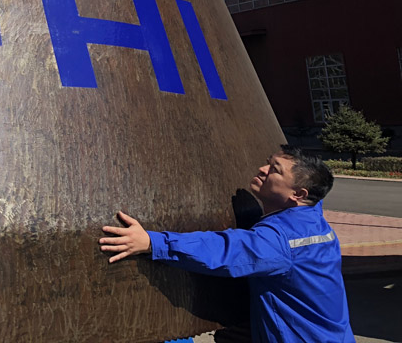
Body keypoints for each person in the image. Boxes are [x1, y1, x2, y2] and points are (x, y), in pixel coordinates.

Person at [99, 145, 354, 343]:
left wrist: (152, 242)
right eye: (268, 162)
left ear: (298, 194)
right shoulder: (312, 220)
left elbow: (225, 251)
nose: (262, 169)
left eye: (275, 170)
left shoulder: (282, 239)